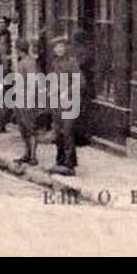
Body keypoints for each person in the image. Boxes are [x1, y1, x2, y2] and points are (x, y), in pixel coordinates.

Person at [48, 34, 81, 176]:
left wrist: (67, 92)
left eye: (62, 46)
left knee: (67, 132)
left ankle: (69, 165)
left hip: (68, 102)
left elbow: (79, 82)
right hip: (57, 103)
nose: (60, 49)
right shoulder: (55, 63)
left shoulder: (72, 62)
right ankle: (60, 161)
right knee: (58, 132)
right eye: (57, 47)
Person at [12, 39, 40, 166]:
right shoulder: (22, 62)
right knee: (23, 127)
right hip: (20, 98)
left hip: (27, 99)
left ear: (19, 50)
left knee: (30, 127)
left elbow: (32, 82)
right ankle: (27, 153)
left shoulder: (29, 63)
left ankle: (33, 156)